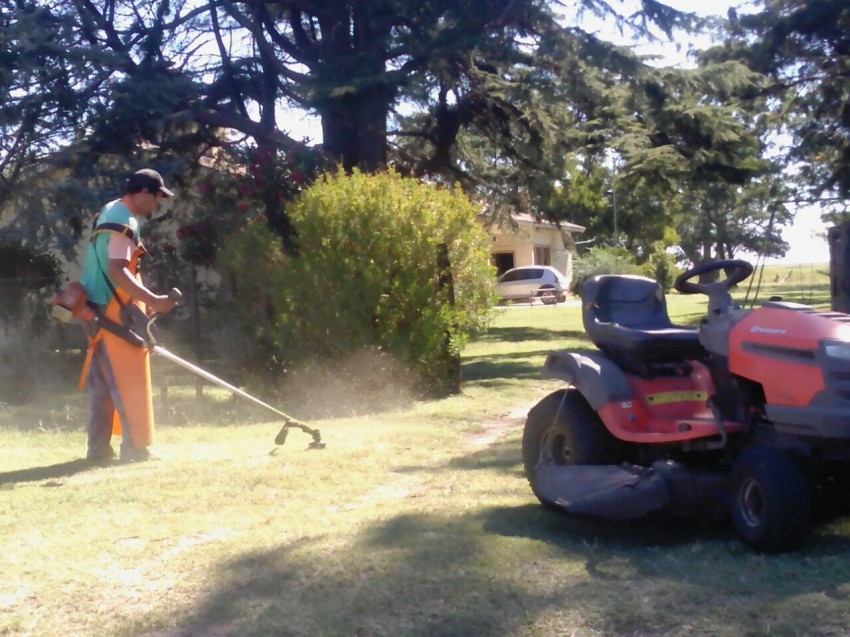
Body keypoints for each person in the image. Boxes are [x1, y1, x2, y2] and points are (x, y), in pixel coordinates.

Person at [79, 168, 180, 463]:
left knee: (103, 387)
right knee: (129, 380)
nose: (157, 204)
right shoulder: (124, 219)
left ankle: (98, 450)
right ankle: (136, 448)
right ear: (144, 192)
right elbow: (117, 269)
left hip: (95, 309)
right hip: (113, 311)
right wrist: (154, 301)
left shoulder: (108, 211)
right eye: (157, 197)